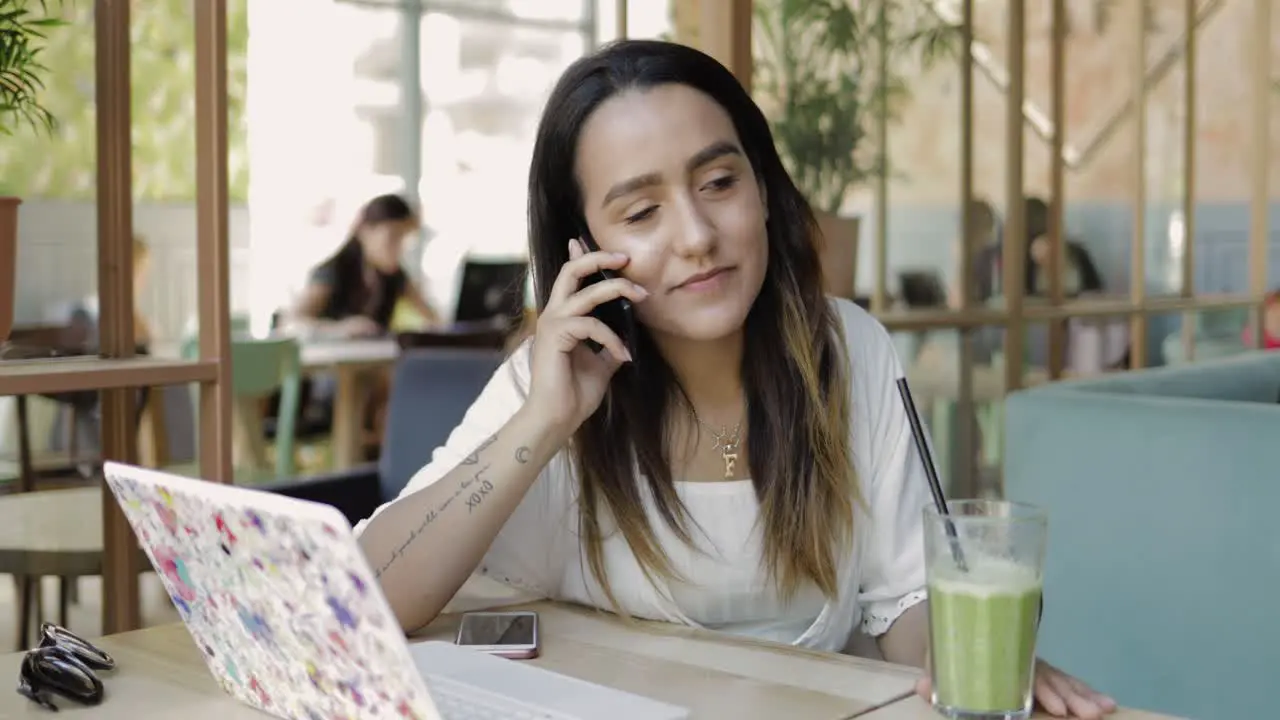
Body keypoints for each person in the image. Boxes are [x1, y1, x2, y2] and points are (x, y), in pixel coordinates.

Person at [355, 40, 1115, 719]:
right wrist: (542, 423)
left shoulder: (850, 349)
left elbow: (908, 601)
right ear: (581, 248)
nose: (696, 237)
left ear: (763, 190)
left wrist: (962, 657)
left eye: (719, 182)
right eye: (643, 210)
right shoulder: (554, 375)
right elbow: (362, 600)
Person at [286, 193, 440, 339]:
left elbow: (436, 320)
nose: (401, 248)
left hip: (372, 364)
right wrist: (339, 329)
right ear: (364, 230)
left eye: (408, 240)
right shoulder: (332, 271)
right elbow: (291, 324)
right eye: (394, 236)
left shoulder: (396, 276)